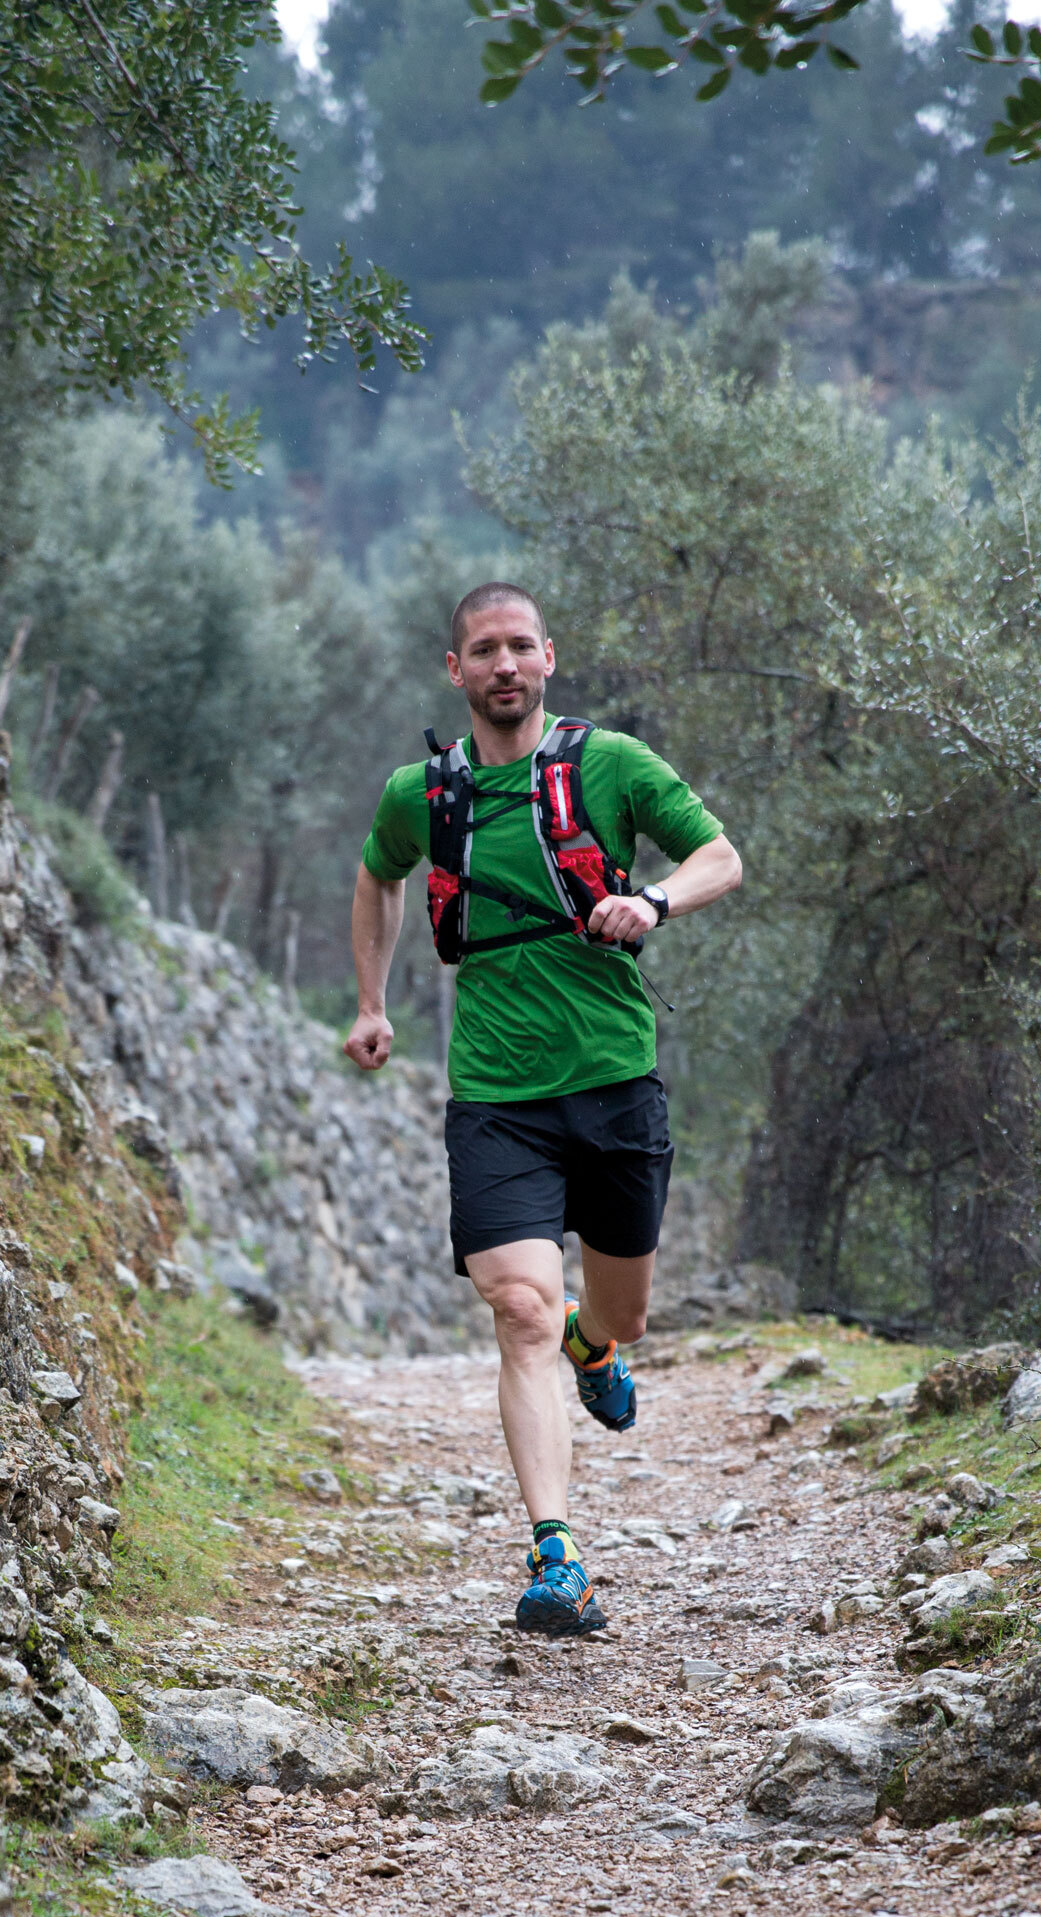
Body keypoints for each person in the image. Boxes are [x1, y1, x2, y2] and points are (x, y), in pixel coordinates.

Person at [346, 582, 742, 1636]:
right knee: (515, 1310)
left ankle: (593, 1342)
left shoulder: (608, 765)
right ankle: (556, 1556)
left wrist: (652, 899)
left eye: (519, 646)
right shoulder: (418, 796)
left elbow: (720, 855)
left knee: (619, 1316)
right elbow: (377, 877)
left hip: (612, 1079)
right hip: (494, 1096)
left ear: (549, 658)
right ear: (455, 670)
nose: (503, 664)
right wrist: (371, 1002)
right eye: (483, 650)